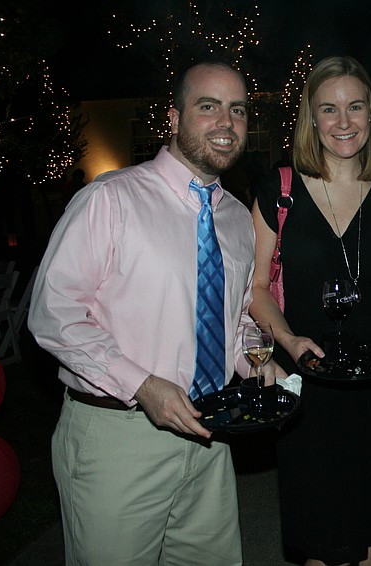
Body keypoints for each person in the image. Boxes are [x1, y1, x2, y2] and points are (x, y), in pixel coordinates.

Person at [28, 60, 272, 565]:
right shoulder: (109, 198)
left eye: (238, 110)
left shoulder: (234, 218)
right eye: (208, 106)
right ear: (174, 117)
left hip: (210, 436)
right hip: (117, 438)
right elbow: (53, 313)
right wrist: (142, 384)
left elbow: (232, 320)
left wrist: (257, 359)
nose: (227, 122)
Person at [249, 55, 371, 566]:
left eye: (355, 107)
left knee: (370, 537)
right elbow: (257, 288)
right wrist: (288, 341)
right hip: (311, 385)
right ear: (311, 118)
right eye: (329, 109)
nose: (343, 122)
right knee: (323, 541)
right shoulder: (279, 191)